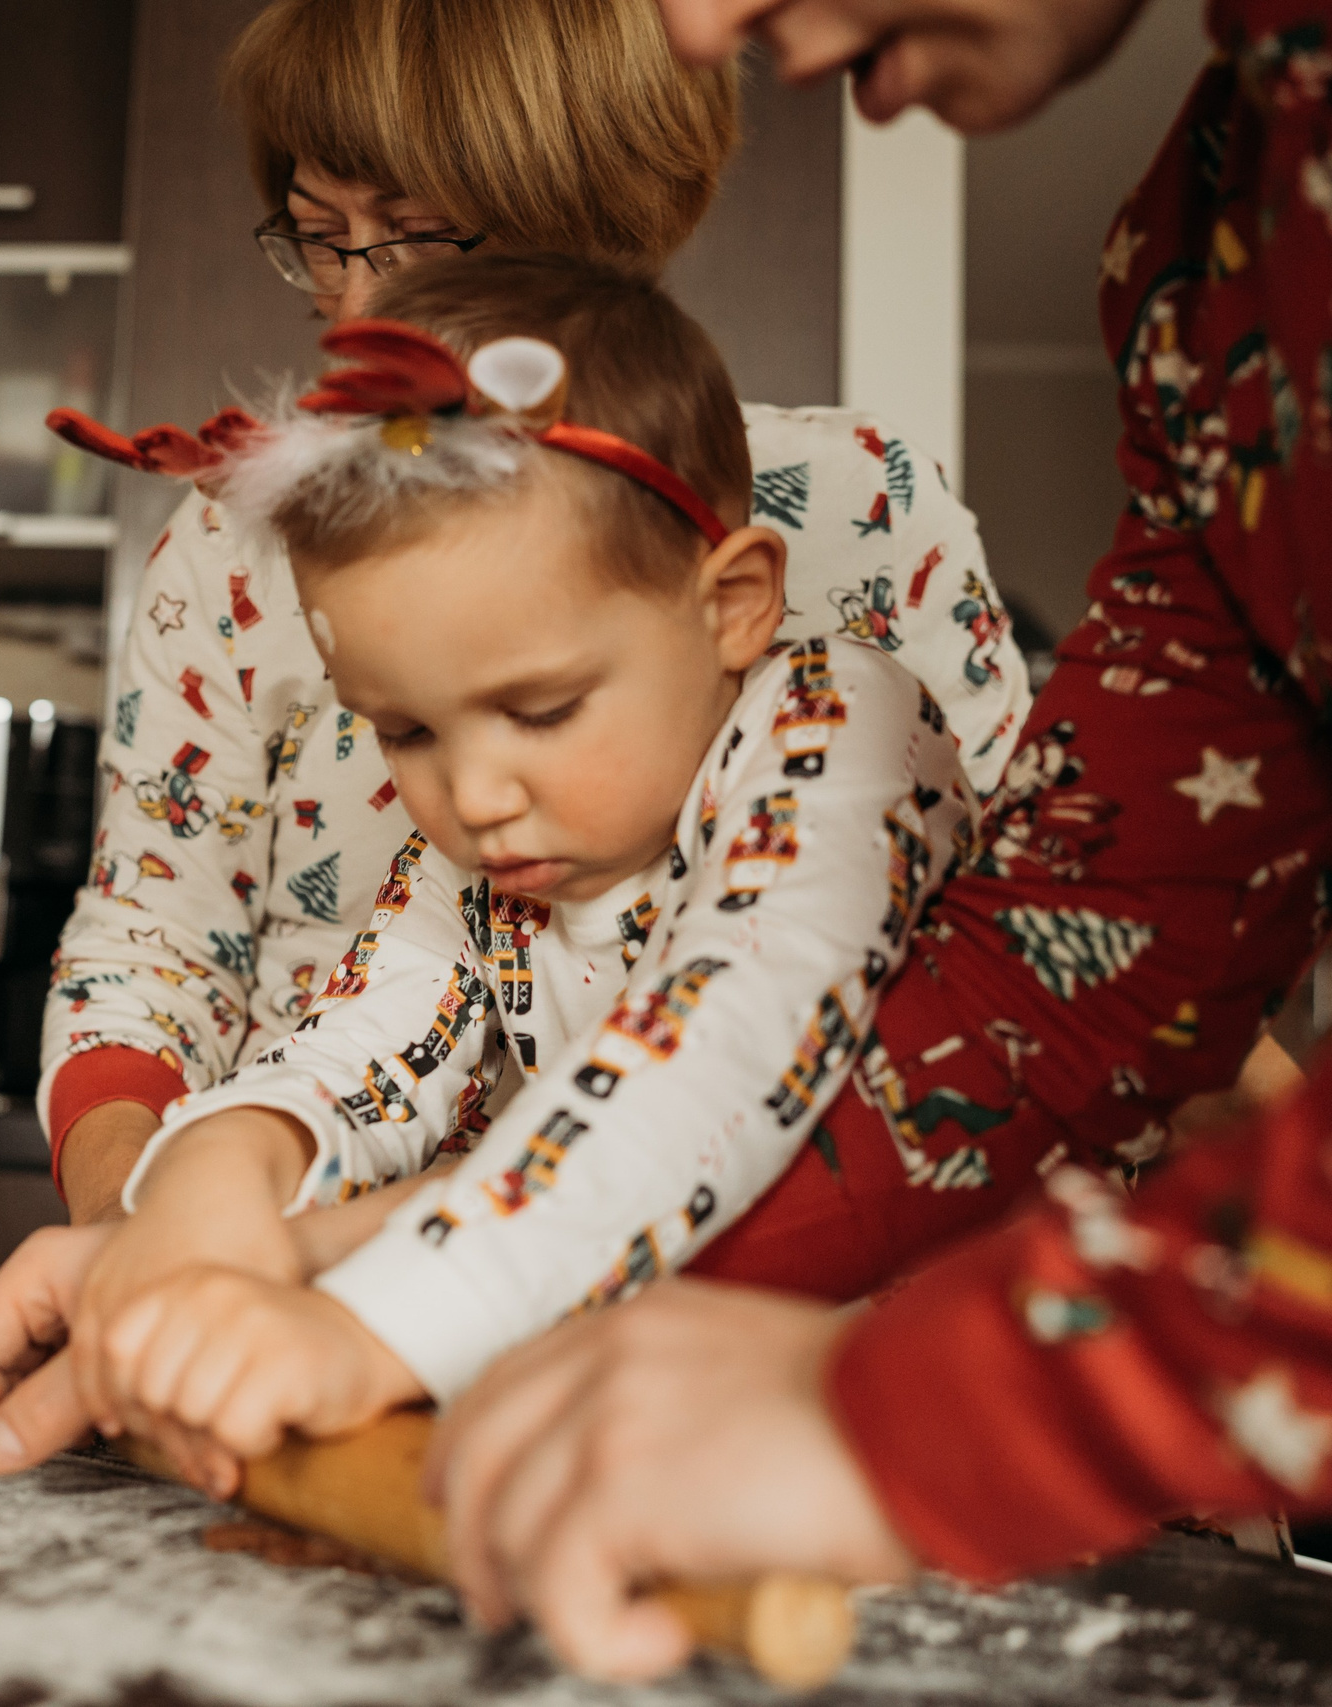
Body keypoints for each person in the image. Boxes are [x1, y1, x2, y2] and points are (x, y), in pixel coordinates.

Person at [427, 0, 1332, 1684]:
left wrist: (906, 1414)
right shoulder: (1207, 250)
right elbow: (1082, 959)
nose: (702, 26)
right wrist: (494, 1281)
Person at [40, 0, 1026, 1227]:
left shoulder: (860, 520)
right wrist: (149, 1223)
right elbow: (173, 953)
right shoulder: (246, 557)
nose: (355, 315)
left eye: (414, 238)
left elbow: (1031, 930)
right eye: (315, 239)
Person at [40, 251, 974, 1462]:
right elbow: (362, 1050)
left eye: (540, 712)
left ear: (732, 601)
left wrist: (371, 1332)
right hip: (687, 1428)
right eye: (407, 731)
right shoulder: (502, 860)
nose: (473, 797)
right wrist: (217, 1167)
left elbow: (729, 1044)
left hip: (952, 1418)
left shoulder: (841, 729)